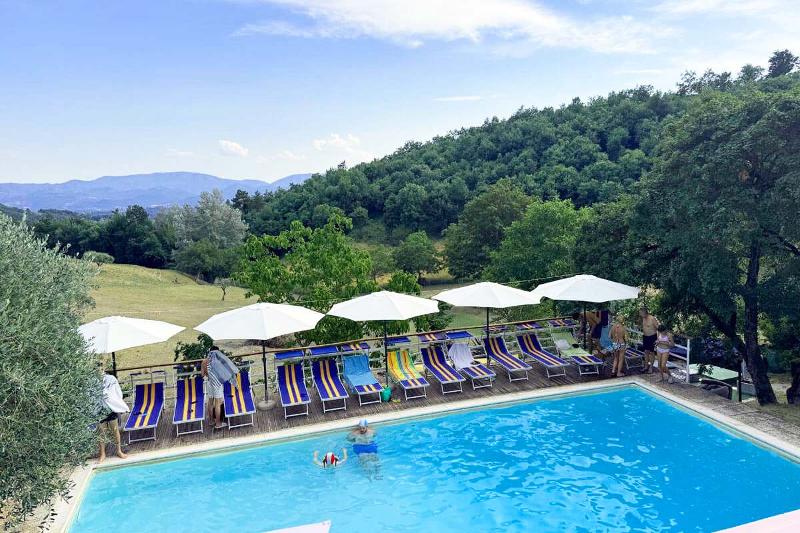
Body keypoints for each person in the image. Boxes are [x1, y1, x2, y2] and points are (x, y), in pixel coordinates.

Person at [202, 345, 239, 430]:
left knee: (210, 402)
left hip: (209, 383)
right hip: (217, 384)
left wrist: (209, 375)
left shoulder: (204, 361)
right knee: (217, 403)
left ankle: (211, 421)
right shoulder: (218, 361)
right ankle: (218, 423)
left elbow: (202, 374)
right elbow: (225, 372)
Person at [97, 370, 129, 462]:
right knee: (101, 432)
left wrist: (118, 402)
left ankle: (119, 451)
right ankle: (102, 454)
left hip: (111, 408)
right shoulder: (92, 380)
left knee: (115, 431)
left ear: (103, 369)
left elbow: (117, 391)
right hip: (99, 409)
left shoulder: (111, 379)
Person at [639, 307, 661, 374]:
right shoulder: (643, 318)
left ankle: (651, 367)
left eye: (640, 313)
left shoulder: (652, 318)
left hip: (652, 337)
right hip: (645, 337)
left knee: (651, 353)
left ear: (644, 312)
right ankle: (646, 366)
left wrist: (658, 338)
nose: (640, 314)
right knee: (646, 352)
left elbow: (659, 328)